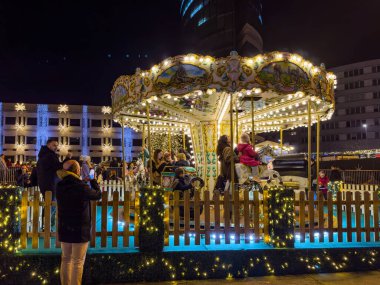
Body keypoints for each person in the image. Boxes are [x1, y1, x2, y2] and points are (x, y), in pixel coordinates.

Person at [56, 160, 101, 285]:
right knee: (77, 262)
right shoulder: (81, 186)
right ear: (77, 171)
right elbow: (97, 195)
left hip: (65, 227)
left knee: (65, 259)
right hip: (79, 229)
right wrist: (93, 180)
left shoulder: (60, 186)